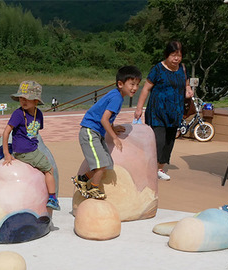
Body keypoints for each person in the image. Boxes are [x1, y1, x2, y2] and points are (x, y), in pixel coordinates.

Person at [72, 65, 142, 200]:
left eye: (137, 84)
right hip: (90, 132)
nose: (135, 88)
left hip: (95, 132)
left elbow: (107, 118)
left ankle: (81, 179)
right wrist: (114, 137)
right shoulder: (117, 98)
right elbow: (104, 119)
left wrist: (113, 127)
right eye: (132, 84)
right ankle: (93, 187)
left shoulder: (116, 95)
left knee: (106, 162)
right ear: (120, 84)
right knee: (101, 164)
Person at [134, 40, 193, 181]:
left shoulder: (182, 69)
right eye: (173, 55)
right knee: (158, 141)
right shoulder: (158, 69)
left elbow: (186, 84)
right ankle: (150, 169)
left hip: (175, 112)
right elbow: (146, 89)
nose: (176, 59)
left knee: (169, 142)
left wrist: (188, 90)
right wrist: (138, 108)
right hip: (157, 112)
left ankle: (160, 168)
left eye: (179, 55)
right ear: (167, 55)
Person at [2, 80, 59, 211]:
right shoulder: (18, 114)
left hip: (32, 149)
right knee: (49, 169)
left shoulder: (38, 114)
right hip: (25, 151)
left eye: (27, 98)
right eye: (21, 98)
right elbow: (6, 132)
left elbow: (35, 133)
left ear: (36, 101)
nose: (23, 101)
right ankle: (53, 198)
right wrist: (7, 154)